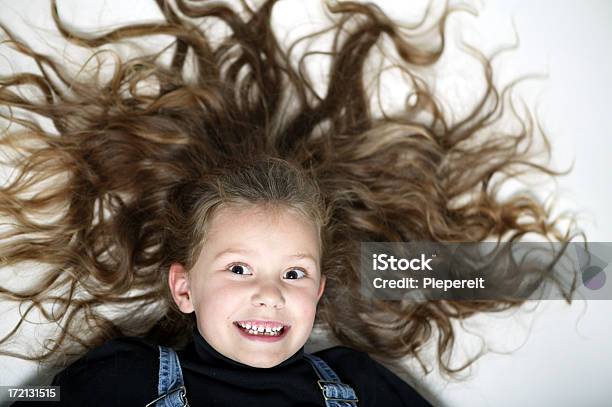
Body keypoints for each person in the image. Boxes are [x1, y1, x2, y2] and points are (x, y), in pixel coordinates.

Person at [0, 0, 580, 406]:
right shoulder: (124, 378)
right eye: (238, 267)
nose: (270, 293)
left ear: (320, 291)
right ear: (182, 287)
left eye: (295, 273)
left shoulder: (358, 385)